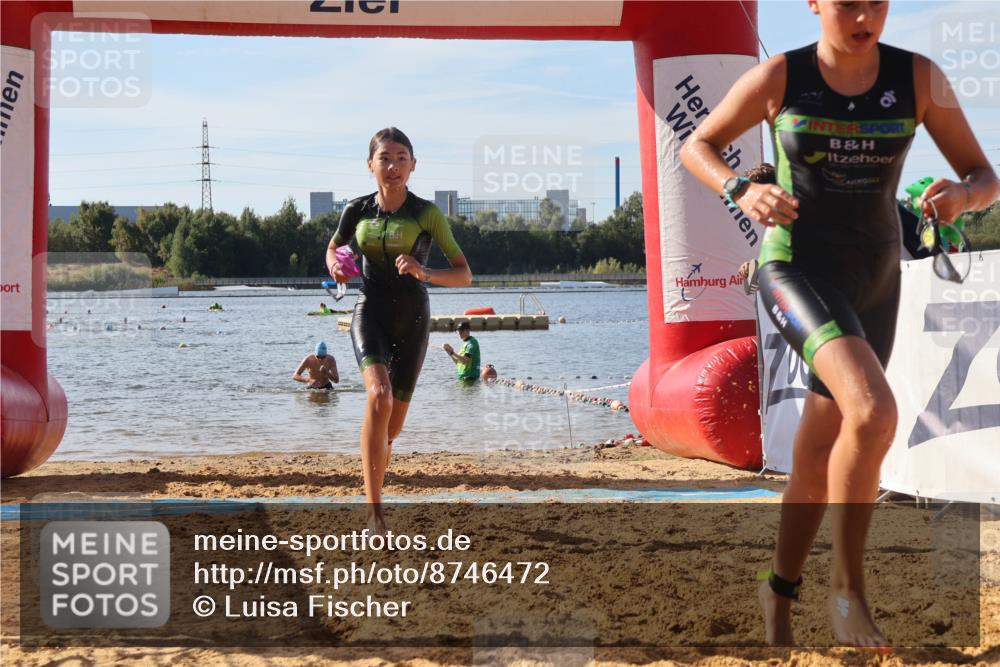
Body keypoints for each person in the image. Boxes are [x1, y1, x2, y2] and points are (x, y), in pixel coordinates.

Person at [679, 0, 999, 650]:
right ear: (815, 4)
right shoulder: (779, 78)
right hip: (796, 266)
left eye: (877, 1)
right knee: (875, 410)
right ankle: (848, 592)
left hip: (876, 279)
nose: (864, 16)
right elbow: (697, 145)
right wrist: (740, 187)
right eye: (847, 2)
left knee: (818, 448)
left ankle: (780, 586)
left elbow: (985, 174)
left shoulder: (917, 78)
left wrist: (962, 196)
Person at [327, 127, 472, 534]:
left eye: (401, 158)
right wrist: (335, 264)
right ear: (370, 164)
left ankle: (376, 484)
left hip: (412, 318)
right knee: (378, 395)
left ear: (413, 165)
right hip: (369, 310)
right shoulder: (355, 210)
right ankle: (375, 513)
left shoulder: (426, 213)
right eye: (384, 158)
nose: (392, 167)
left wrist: (424, 271)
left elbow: (464, 275)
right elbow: (334, 247)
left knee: (391, 429)